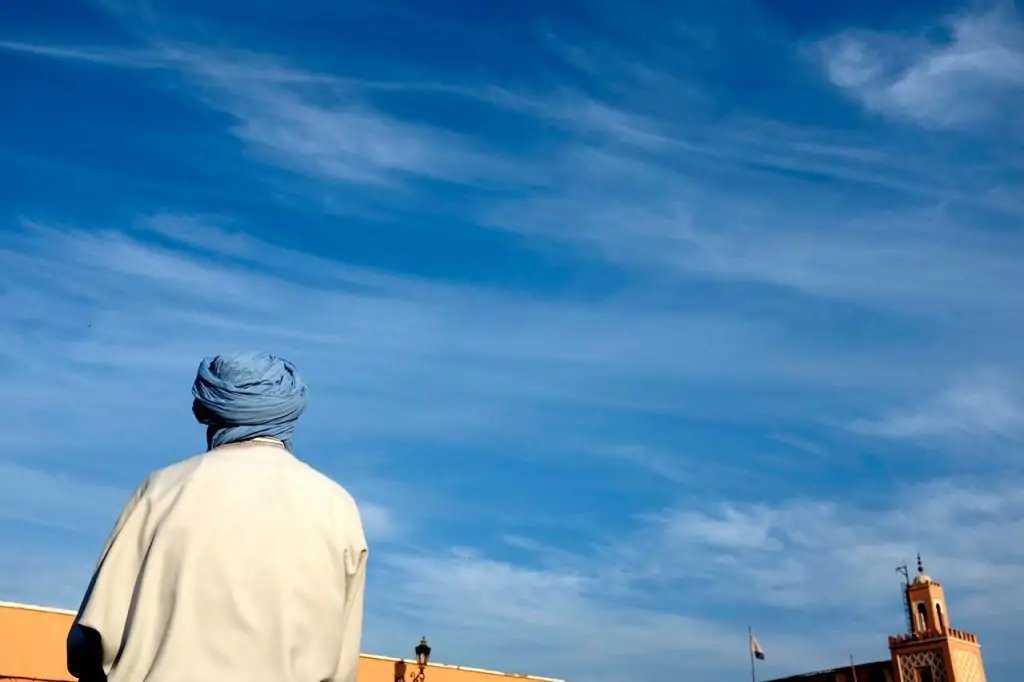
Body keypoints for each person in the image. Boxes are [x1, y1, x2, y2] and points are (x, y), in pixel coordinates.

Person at [67, 352, 368, 682]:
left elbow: (92, 638)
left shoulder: (164, 489)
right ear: (290, 411)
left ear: (207, 410)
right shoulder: (336, 506)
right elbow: (342, 663)